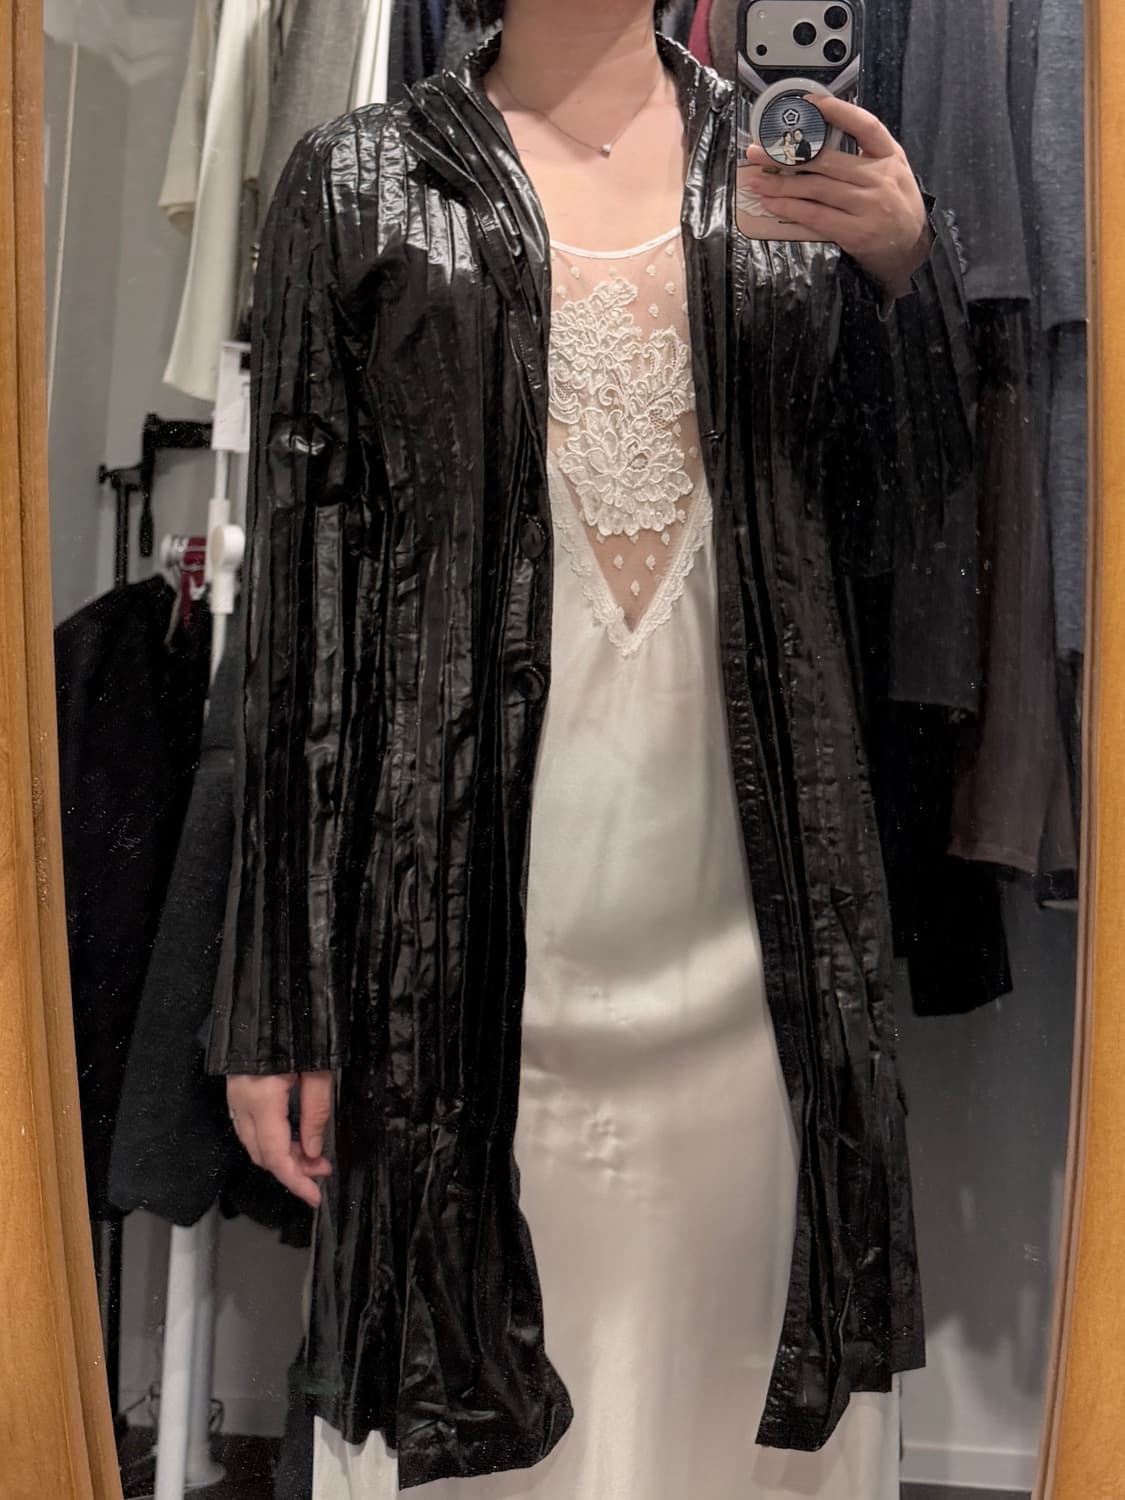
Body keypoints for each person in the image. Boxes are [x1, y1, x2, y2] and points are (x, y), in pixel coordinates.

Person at [210, 1, 974, 1497]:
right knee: (469, 1394)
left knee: (739, 1396)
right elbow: (300, 606)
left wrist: (905, 272)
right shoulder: (355, 178)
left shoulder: (791, 172)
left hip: (756, 963)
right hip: (460, 963)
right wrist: (277, 990)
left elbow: (905, 527)